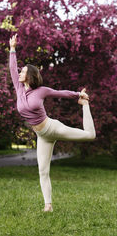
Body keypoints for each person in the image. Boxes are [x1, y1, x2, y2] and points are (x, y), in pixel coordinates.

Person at [9, 34, 96, 212]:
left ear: (30, 75)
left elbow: (60, 93)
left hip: (52, 127)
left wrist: (78, 95)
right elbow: (11, 68)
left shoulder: (41, 91)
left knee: (90, 136)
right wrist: (12, 49)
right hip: (42, 136)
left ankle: (85, 106)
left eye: (23, 71)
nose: (20, 72)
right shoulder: (18, 89)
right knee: (43, 170)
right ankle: (48, 205)